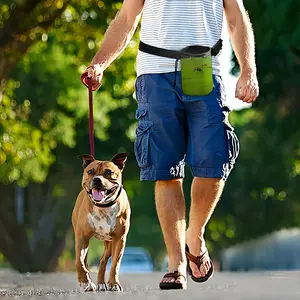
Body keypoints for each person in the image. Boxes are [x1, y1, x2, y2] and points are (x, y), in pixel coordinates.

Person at [83, 0, 259, 290]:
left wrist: (247, 70)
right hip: (155, 74)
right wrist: (100, 62)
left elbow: (237, 19)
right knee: (165, 171)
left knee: (214, 161)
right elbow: (127, 19)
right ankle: (176, 264)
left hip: (203, 68)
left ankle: (195, 236)